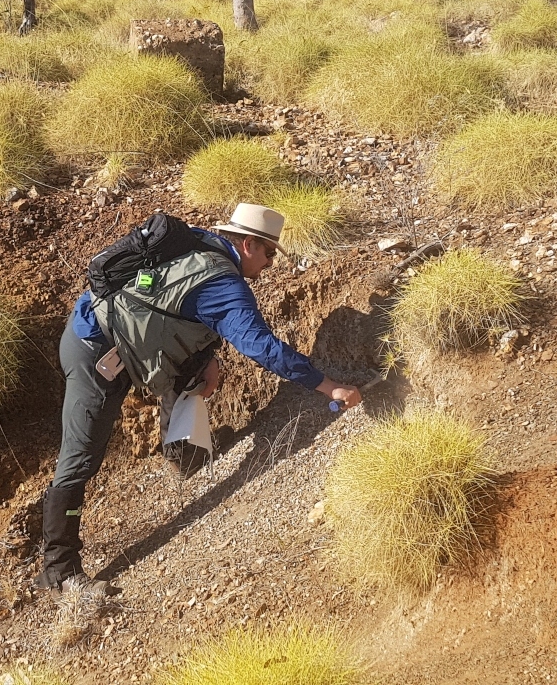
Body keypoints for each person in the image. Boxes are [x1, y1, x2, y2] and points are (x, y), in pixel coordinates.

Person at [36, 203, 362, 592]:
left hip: (120, 336)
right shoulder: (223, 285)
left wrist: (205, 357)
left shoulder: (200, 243)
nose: (271, 263)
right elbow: (262, 347)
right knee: (82, 453)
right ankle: (59, 571)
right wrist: (329, 386)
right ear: (247, 244)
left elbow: (171, 303)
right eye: (270, 252)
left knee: (196, 368)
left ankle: (184, 456)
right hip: (94, 348)